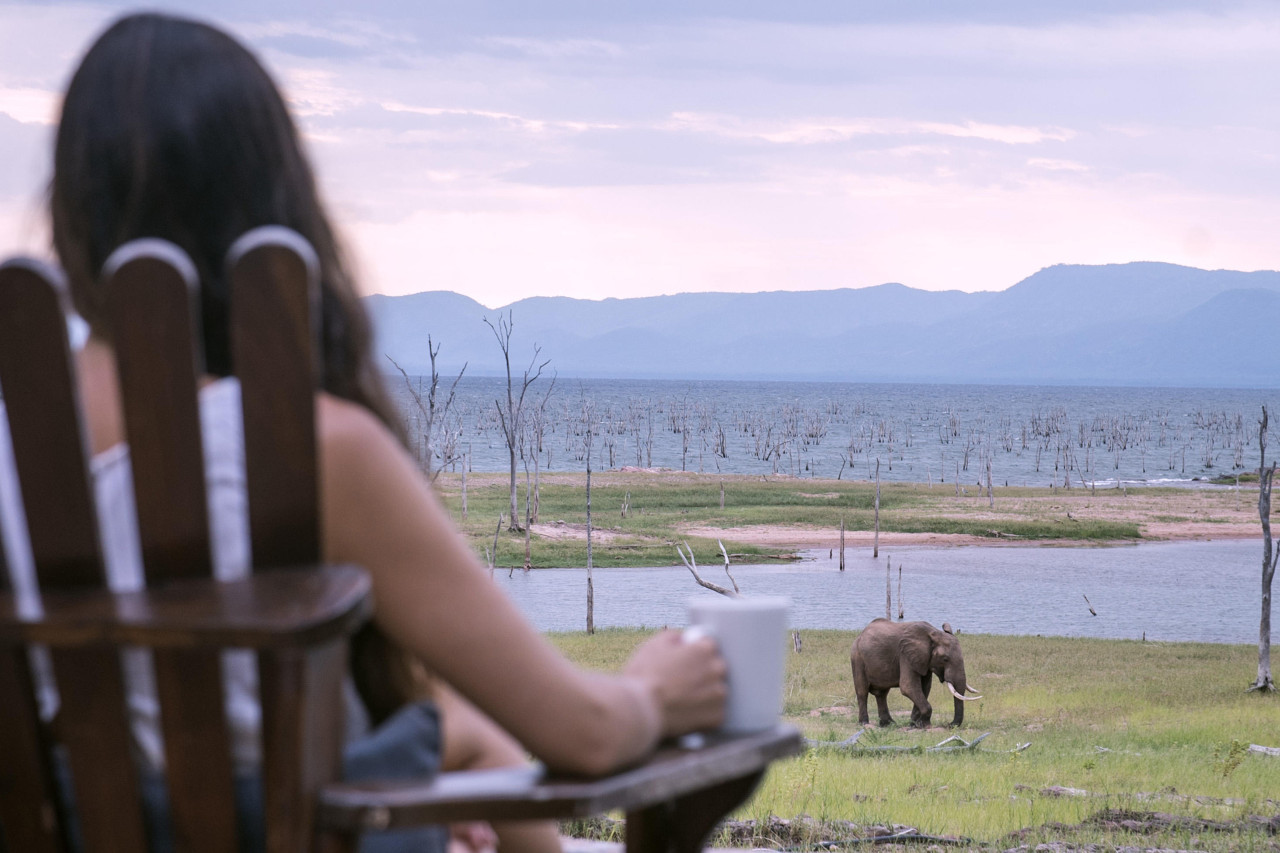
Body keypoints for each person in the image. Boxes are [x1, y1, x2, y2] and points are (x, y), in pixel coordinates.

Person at [2, 11, 728, 853]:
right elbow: (586, 737)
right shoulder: (315, 453)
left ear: (69, 209)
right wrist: (654, 690)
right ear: (274, 199)